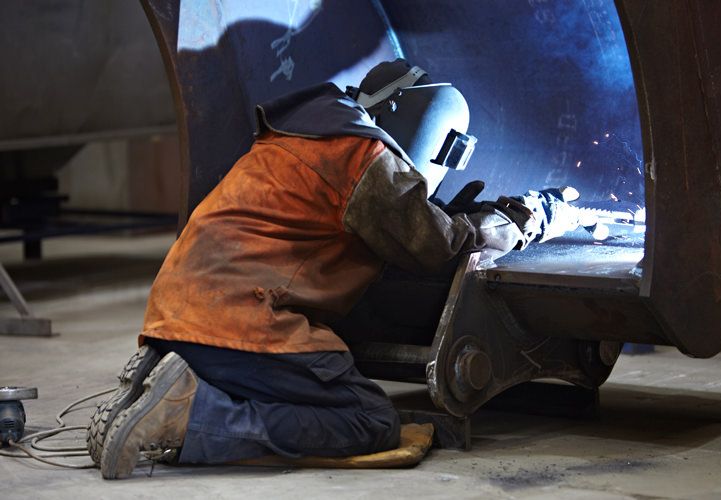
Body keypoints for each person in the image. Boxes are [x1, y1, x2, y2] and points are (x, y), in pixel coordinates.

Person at [88, 59, 580, 479]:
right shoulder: (362, 154)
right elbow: (439, 245)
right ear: (425, 126)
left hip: (178, 313)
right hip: (243, 323)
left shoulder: (298, 136)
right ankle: (190, 418)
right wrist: (525, 217)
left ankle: (170, 376)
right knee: (367, 421)